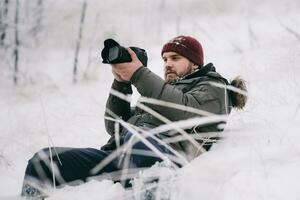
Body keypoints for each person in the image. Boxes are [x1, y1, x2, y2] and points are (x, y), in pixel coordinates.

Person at [21, 35, 247, 199]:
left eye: (175, 58)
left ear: (194, 62)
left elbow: (186, 109)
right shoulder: (160, 91)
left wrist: (139, 74)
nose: (167, 64)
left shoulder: (213, 86)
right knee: (44, 161)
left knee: (140, 140)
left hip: (162, 157)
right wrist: (121, 83)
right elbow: (115, 129)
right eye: (165, 58)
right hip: (121, 157)